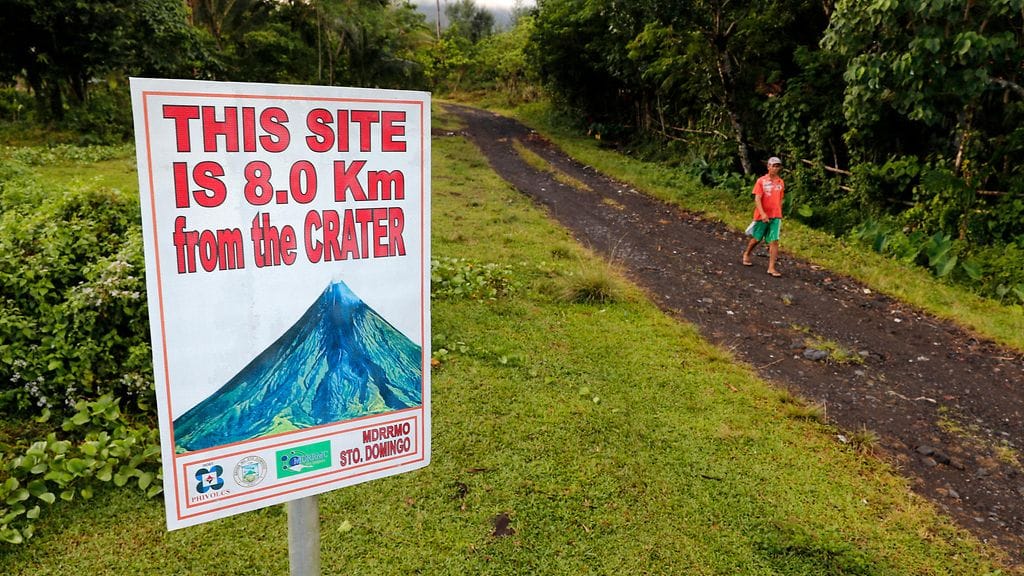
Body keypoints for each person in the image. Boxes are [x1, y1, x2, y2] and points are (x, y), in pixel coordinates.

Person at [742, 156, 785, 277]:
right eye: (774, 166)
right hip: (762, 215)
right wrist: (762, 214)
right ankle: (747, 253)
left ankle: (771, 267)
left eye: (778, 166)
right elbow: (757, 199)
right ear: (768, 167)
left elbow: (780, 199)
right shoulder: (761, 181)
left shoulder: (780, 182)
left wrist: (779, 213)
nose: (776, 168)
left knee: (774, 240)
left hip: (776, 216)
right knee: (757, 238)